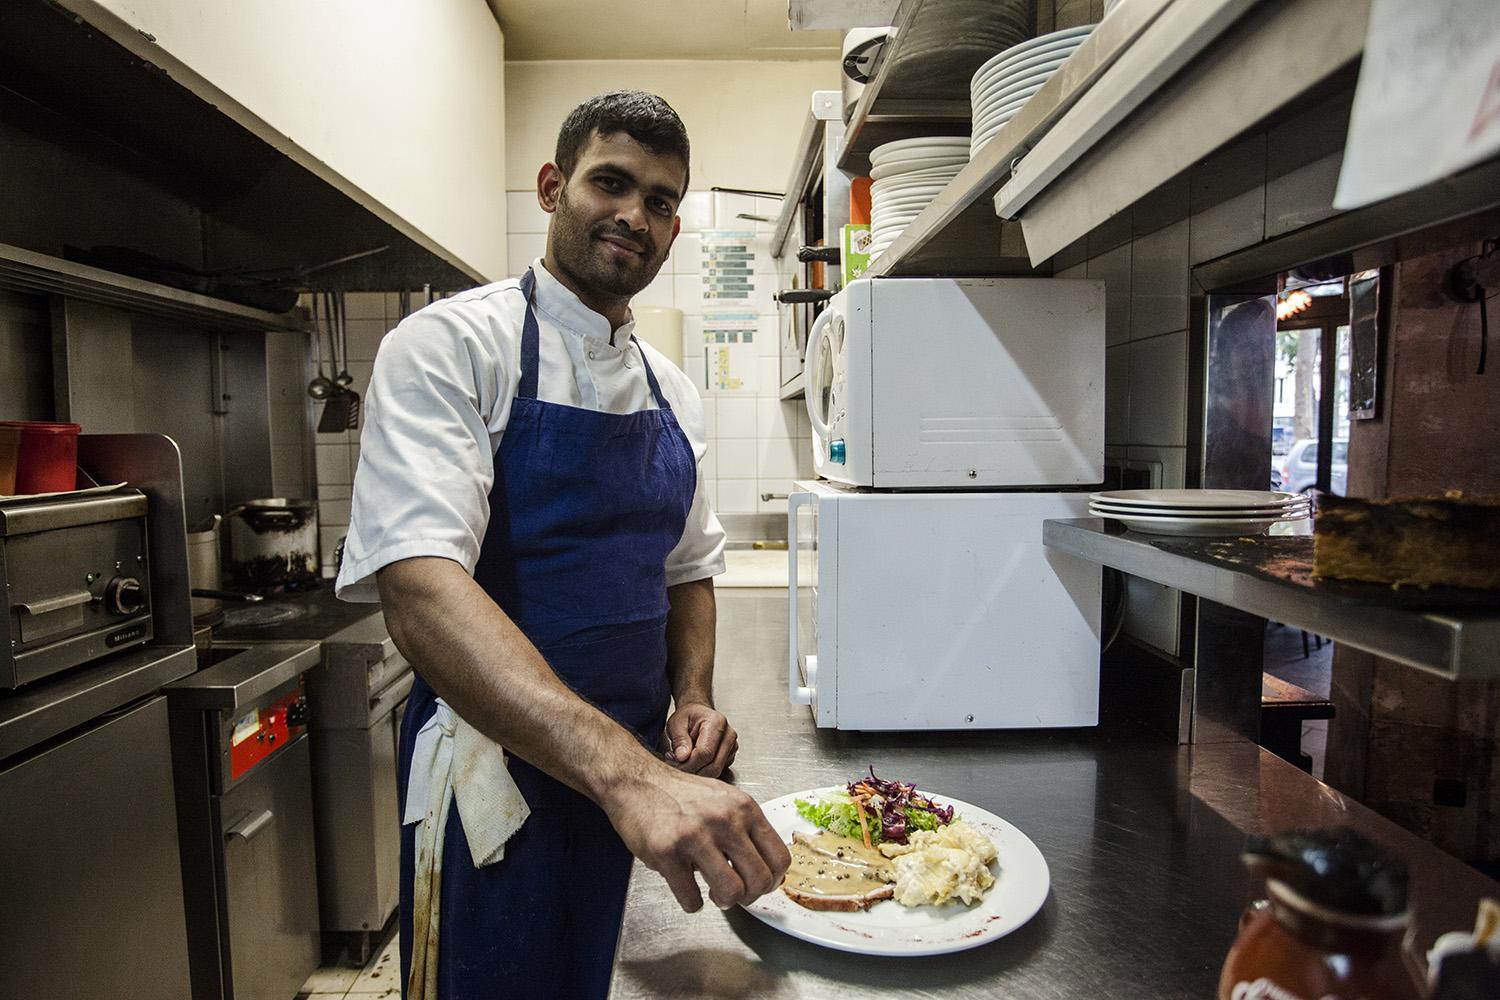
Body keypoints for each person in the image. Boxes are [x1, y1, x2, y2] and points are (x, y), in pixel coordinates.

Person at [335, 90, 790, 1000]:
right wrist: (628, 778)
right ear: (552, 188)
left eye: (662, 201)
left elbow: (689, 566)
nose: (636, 216)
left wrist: (692, 700)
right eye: (611, 183)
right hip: (493, 781)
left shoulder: (672, 391)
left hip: (640, 773)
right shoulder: (451, 346)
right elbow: (420, 586)